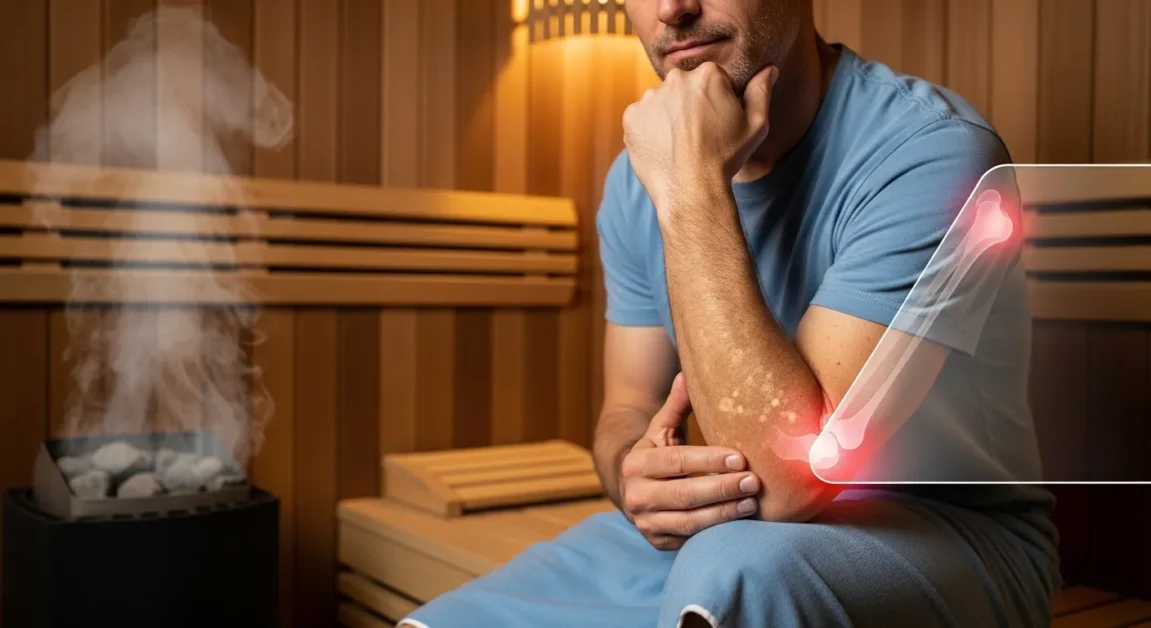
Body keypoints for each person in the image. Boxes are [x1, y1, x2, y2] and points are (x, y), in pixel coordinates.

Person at [400, 1, 1061, 626]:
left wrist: (691, 186)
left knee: (735, 571)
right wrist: (638, 476)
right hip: (720, 529)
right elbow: (625, 409)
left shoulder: (930, 154)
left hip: (950, 542)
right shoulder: (633, 182)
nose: (673, 8)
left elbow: (787, 486)